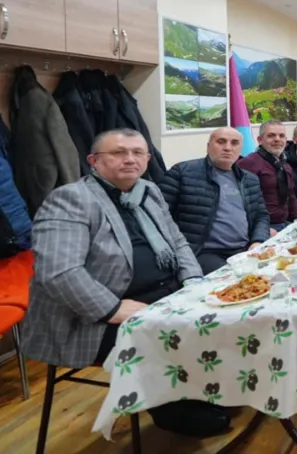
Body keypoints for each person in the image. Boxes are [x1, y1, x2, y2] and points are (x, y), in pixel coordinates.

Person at [22, 128, 231, 437]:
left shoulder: (147, 191)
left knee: (224, 310)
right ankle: (172, 407)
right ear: (94, 161)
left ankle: (211, 388)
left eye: (138, 152)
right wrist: (113, 308)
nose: (130, 159)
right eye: (118, 153)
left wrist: (193, 280)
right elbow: (60, 272)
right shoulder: (70, 200)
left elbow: (177, 241)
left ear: (147, 158)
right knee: (169, 333)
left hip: (162, 293)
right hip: (91, 317)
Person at [159, 127, 271, 274]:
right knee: (235, 282)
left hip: (244, 249)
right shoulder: (183, 172)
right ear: (208, 146)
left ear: (240, 149)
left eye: (234, 143)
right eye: (221, 142)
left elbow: (261, 215)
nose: (228, 148)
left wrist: (258, 241)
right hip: (203, 252)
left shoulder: (249, 179)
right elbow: (160, 215)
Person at [238, 120, 297, 230]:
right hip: (263, 228)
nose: (277, 139)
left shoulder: (285, 165)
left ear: (286, 141)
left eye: (281, 136)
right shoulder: (248, 163)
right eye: (271, 135)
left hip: (285, 223)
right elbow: (241, 204)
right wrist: (260, 231)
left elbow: (291, 196)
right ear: (260, 140)